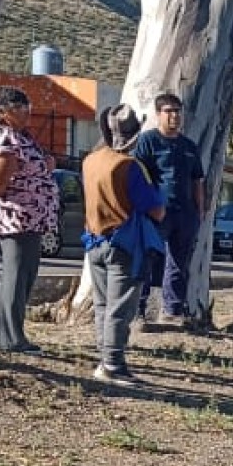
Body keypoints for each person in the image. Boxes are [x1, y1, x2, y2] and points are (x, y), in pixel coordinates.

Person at [81, 105, 167, 387]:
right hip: (125, 243)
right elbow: (156, 211)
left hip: (94, 239)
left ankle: (105, 358)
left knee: (103, 305)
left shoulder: (90, 161)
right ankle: (113, 364)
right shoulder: (129, 166)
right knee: (121, 307)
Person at [0, 86, 61, 354]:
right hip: (18, 217)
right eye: (21, 108)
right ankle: (12, 338)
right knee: (18, 277)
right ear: (3, 112)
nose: (27, 113)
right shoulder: (5, 138)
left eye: (28, 107)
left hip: (28, 217)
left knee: (12, 276)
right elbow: (0, 177)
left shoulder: (15, 136)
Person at [132, 92, 209, 332]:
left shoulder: (189, 146)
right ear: (158, 114)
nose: (174, 116)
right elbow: (138, 176)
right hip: (156, 213)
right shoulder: (147, 141)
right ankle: (137, 311)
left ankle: (172, 310)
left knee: (178, 263)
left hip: (185, 214)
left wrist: (200, 210)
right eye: (169, 111)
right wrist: (147, 207)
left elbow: (197, 180)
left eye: (177, 111)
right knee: (146, 260)